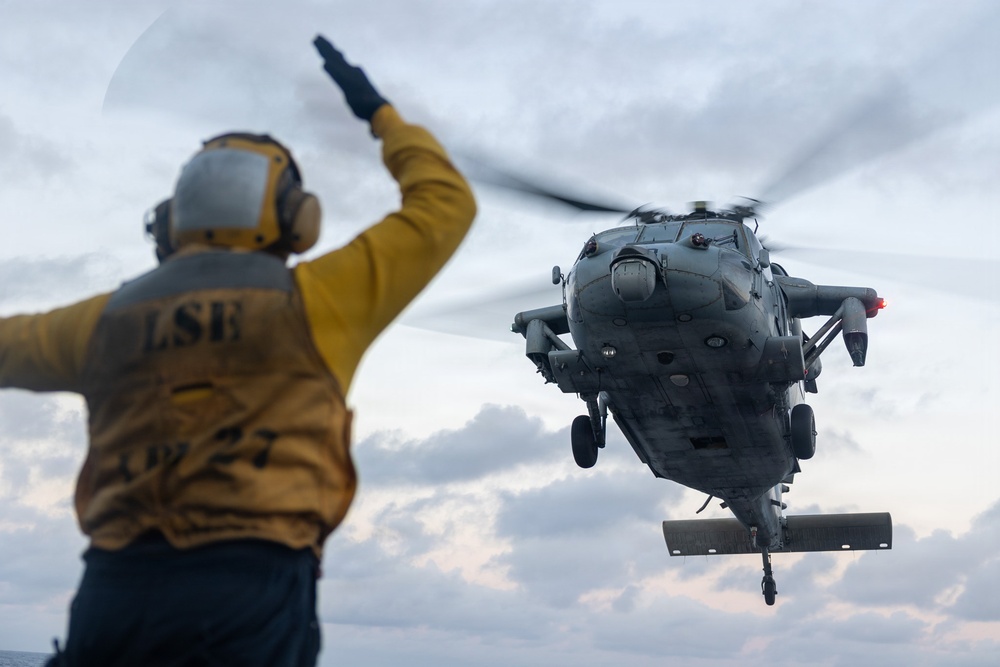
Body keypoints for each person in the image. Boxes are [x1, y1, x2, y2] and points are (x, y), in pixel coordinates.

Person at [0, 35, 475, 666]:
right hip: (248, 600)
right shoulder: (317, 301)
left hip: (111, 597)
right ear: (297, 219)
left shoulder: (100, 324)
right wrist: (379, 114)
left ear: (169, 220)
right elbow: (445, 201)